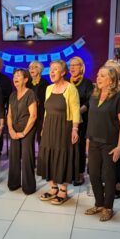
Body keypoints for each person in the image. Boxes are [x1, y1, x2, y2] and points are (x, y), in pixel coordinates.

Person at [85, 66, 120, 220]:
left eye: (102, 75)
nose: (98, 78)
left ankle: (108, 207)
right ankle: (99, 203)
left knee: (108, 176)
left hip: (110, 143)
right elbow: (91, 120)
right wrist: (88, 140)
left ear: (111, 80)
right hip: (94, 141)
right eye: (98, 74)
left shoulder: (118, 97)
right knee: (94, 174)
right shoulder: (94, 95)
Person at [37, 60, 80, 205]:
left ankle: (63, 189)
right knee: (49, 154)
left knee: (62, 155)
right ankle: (53, 187)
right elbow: (46, 111)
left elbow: (75, 110)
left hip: (64, 126)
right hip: (49, 126)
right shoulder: (48, 88)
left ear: (63, 72)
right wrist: (43, 127)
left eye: (55, 69)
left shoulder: (70, 88)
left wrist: (75, 129)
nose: (52, 72)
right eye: (51, 69)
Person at [7, 69, 37, 194]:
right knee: (13, 157)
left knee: (26, 158)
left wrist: (24, 133)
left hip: (27, 130)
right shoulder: (12, 95)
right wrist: (11, 130)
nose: (15, 77)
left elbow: (33, 115)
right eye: (14, 75)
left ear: (25, 79)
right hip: (14, 130)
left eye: (19, 75)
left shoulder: (30, 93)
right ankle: (14, 183)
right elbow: (9, 115)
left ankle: (29, 187)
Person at [69, 56, 94, 185]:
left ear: (81, 67)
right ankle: (68, 171)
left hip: (81, 120)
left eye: (75, 65)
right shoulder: (66, 83)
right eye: (70, 65)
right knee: (67, 146)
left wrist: (77, 112)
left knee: (79, 146)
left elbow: (89, 102)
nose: (72, 67)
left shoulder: (87, 83)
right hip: (67, 120)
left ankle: (79, 173)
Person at [104, 59, 120, 198]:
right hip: (106, 128)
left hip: (117, 129)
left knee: (118, 157)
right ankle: (108, 182)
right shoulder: (103, 88)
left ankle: (118, 185)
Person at [27, 61, 48, 145]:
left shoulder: (45, 84)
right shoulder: (27, 84)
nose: (31, 69)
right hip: (28, 114)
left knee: (41, 138)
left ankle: (41, 157)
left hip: (40, 114)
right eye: (30, 67)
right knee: (28, 139)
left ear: (39, 70)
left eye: (34, 67)